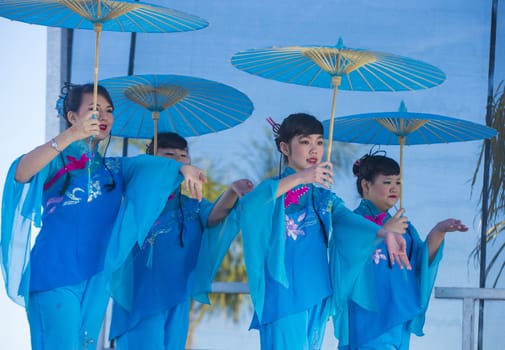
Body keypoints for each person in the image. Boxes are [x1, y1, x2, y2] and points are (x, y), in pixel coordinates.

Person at [0, 83, 206, 350]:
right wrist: (69, 137)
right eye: (95, 109)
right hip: (54, 274)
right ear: (73, 117)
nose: (105, 116)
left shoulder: (116, 169)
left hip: (96, 278)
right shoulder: (56, 160)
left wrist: (183, 169)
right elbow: (21, 173)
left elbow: (152, 169)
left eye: (109, 110)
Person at [238, 113, 412, 350]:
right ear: (284, 147)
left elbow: (350, 222)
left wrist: (386, 234)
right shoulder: (272, 192)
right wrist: (301, 177)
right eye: (305, 141)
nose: (314, 149)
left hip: (318, 291)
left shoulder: (323, 197)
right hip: (284, 295)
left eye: (319, 142)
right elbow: (249, 207)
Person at [108, 132, 253, 350]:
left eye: (183, 156)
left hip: (178, 297)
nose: (178, 160)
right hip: (140, 301)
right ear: (153, 161)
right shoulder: (135, 200)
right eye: (169, 154)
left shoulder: (191, 205)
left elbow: (215, 216)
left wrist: (232, 191)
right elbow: (138, 167)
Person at [338, 152, 468, 349]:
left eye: (398, 182)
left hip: (399, 319)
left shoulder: (404, 226)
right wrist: (384, 231)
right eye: (387, 182)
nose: (394, 188)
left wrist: (439, 231)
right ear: (366, 185)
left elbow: (420, 262)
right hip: (367, 319)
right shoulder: (352, 223)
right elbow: (347, 261)